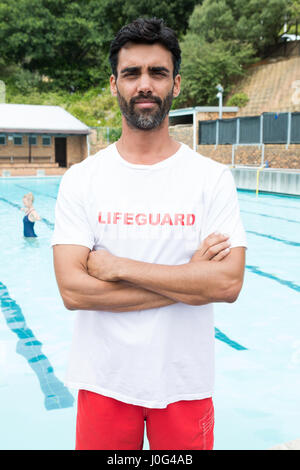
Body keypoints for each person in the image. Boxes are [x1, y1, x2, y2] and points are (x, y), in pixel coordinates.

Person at [51, 18, 247, 451]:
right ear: (113, 84)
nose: (144, 84)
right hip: (104, 382)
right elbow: (73, 291)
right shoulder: (82, 179)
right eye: (131, 73)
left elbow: (227, 283)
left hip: (184, 384)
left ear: (175, 84)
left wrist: (117, 267)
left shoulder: (211, 179)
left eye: (157, 73)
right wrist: (190, 281)